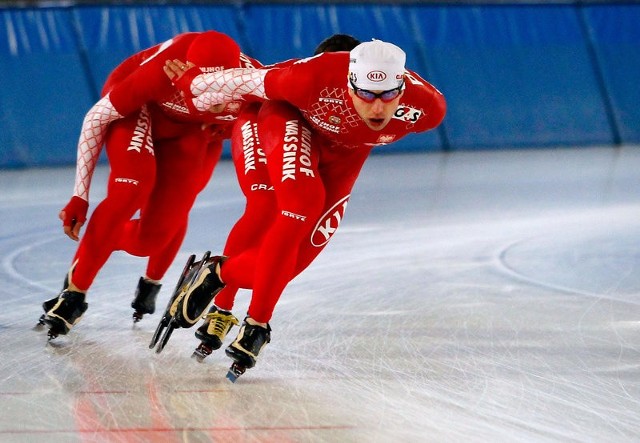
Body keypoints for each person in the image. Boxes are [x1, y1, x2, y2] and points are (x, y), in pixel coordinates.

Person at [165, 38, 446, 378]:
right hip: (287, 122)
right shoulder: (310, 78)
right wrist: (192, 87)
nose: (377, 109)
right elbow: (236, 81)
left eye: (388, 95)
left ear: (401, 89)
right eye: (366, 95)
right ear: (348, 82)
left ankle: (217, 274)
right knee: (294, 202)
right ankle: (252, 321)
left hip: (343, 158)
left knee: (288, 264)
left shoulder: (427, 108)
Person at [39, 30, 260, 339]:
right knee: (131, 189)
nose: (212, 100)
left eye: (220, 92)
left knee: (154, 235)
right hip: (140, 108)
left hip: (191, 129)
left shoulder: (255, 85)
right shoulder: (162, 71)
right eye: (201, 88)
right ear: (184, 72)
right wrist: (80, 195)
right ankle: (74, 295)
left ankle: (142, 272)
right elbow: (96, 118)